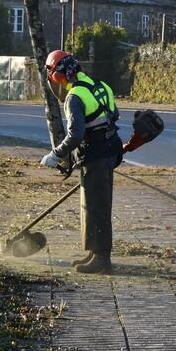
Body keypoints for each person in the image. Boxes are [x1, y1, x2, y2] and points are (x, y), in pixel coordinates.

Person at [40, 49, 122, 274]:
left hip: (95, 155)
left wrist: (56, 154)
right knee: (93, 205)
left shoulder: (74, 97)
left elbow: (76, 134)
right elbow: (114, 116)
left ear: (58, 75)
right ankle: (94, 252)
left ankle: (102, 260)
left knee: (97, 207)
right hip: (109, 152)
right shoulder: (100, 85)